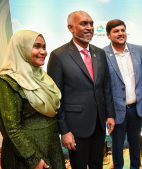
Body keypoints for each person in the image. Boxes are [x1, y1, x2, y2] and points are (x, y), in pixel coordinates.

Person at [47, 11, 115, 169]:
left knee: (98, 164)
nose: (90, 27)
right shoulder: (58, 56)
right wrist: (64, 131)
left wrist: (109, 115)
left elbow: (106, 87)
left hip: (98, 124)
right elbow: (55, 98)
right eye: (84, 23)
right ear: (71, 27)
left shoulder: (100, 53)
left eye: (91, 24)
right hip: (75, 127)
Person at [0, 30, 65, 169]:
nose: (43, 52)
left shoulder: (42, 77)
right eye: (37, 46)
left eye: (44, 47)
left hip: (51, 150)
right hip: (27, 158)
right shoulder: (7, 81)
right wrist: (33, 159)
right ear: (21, 49)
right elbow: (10, 129)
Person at [103, 19, 142, 169]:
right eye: (116, 31)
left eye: (122, 30)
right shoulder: (102, 54)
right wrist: (108, 114)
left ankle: (136, 166)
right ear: (108, 35)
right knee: (117, 146)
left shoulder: (139, 50)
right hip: (115, 112)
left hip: (137, 109)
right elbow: (103, 86)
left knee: (135, 143)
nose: (120, 33)